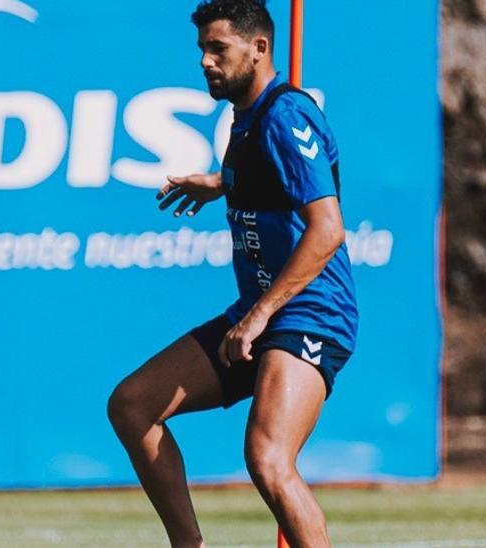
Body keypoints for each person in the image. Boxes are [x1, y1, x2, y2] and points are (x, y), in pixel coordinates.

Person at [107, 1, 358, 546]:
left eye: (217, 47)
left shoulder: (286, 115)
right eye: (202, 48)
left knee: (268, 456)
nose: (204, 61)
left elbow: (327, 228)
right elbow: (274, 184)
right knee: (133, 405)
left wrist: (260, 315)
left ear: (259, 48)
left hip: (310, 312)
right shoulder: (246, 120)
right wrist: (222, 183)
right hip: (261, 313)